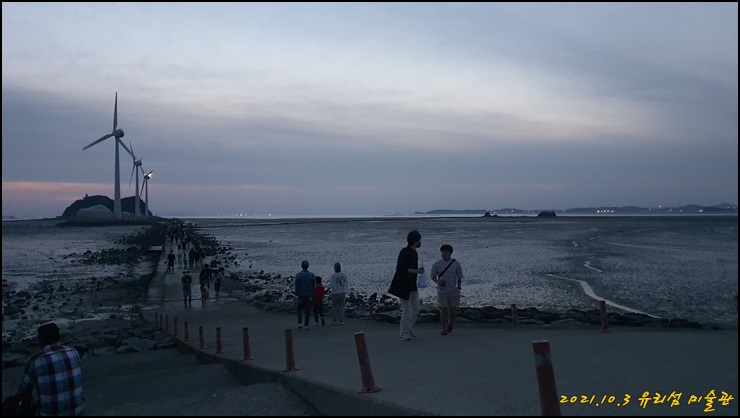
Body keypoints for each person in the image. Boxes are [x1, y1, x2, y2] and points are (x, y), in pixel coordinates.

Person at [16, 323, 85, 416]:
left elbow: (23, 391)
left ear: (40, 341)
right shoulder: (73, 352)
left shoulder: (36, 360)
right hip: (78, 411)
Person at [388, 230, 424, 341]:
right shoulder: (404, 251)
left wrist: (418, 272)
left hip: (412, 284)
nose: (420, 242)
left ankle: (409, 328)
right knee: (406, 309)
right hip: (403, 284)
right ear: (415, 241)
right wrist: (415, 271)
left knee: (416, 308)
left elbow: (413, 269)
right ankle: (403, 333)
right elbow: (400, 268)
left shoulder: (414, 253)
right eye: (419, 240)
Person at [430, 244, 464, 335]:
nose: (444, 253)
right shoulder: (437, 264)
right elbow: (432, 276)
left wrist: (459, 287)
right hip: (441, 291)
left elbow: (459, 276)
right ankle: (444, 329)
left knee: (453, 310)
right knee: (444, 309)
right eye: (442, 251)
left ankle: (451, 324)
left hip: (453, 291)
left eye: (446, 251)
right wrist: (438, 282)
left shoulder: (456, 264)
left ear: (450, 253)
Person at [295, 260, 315, 330]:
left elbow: (296, 285)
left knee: (299, 308)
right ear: (308, 266)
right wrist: (312, 294)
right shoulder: (311, 275)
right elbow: (313, 286)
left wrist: (296, 292)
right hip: (308, 294)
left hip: (300, 294)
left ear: (301, 266)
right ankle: (306, 325)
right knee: (307, 310)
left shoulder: (298, 275)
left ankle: (300, 322)